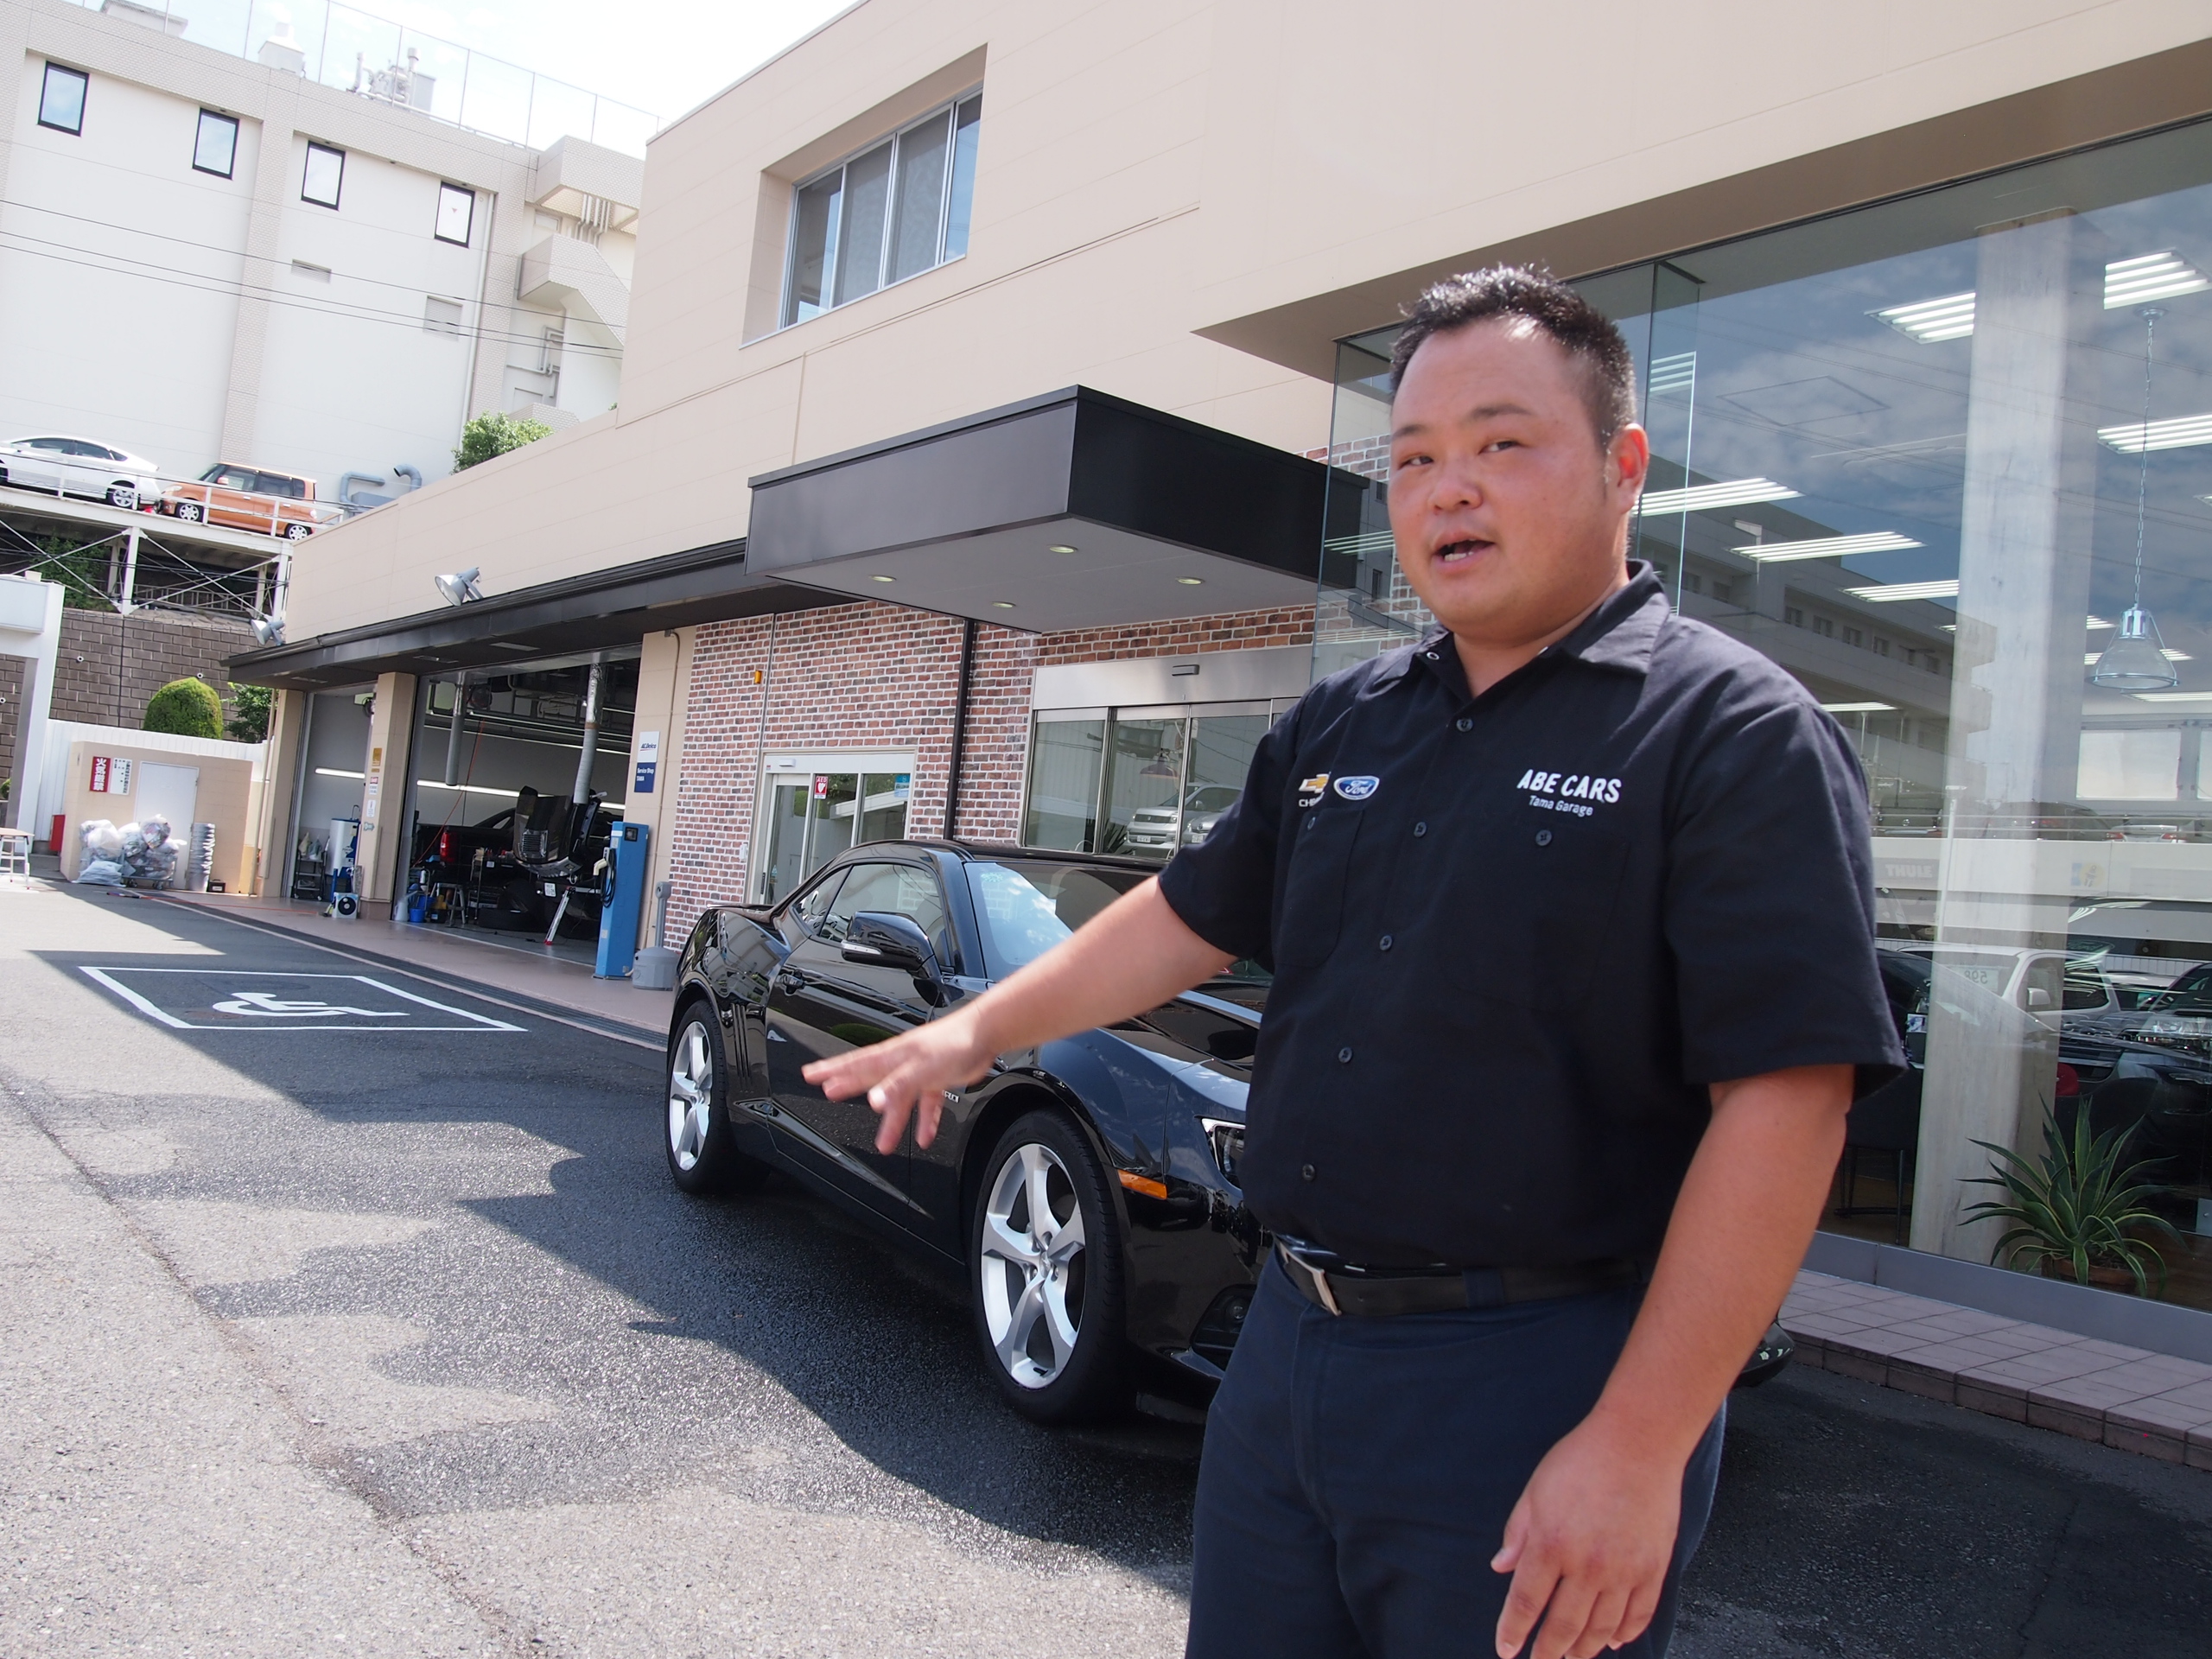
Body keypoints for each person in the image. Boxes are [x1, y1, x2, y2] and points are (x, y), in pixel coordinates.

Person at [805, 266, 1904, 1659]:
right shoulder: (1348, 721)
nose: (1451, 490)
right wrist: (970, 1032)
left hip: (1544, 1374)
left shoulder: (1733, 735)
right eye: (1415, 459)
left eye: (1503, 445)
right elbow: (1184, 917)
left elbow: (1788, 1101)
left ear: (1624, 466)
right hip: (1289, 1349)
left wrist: (1638, 1443)